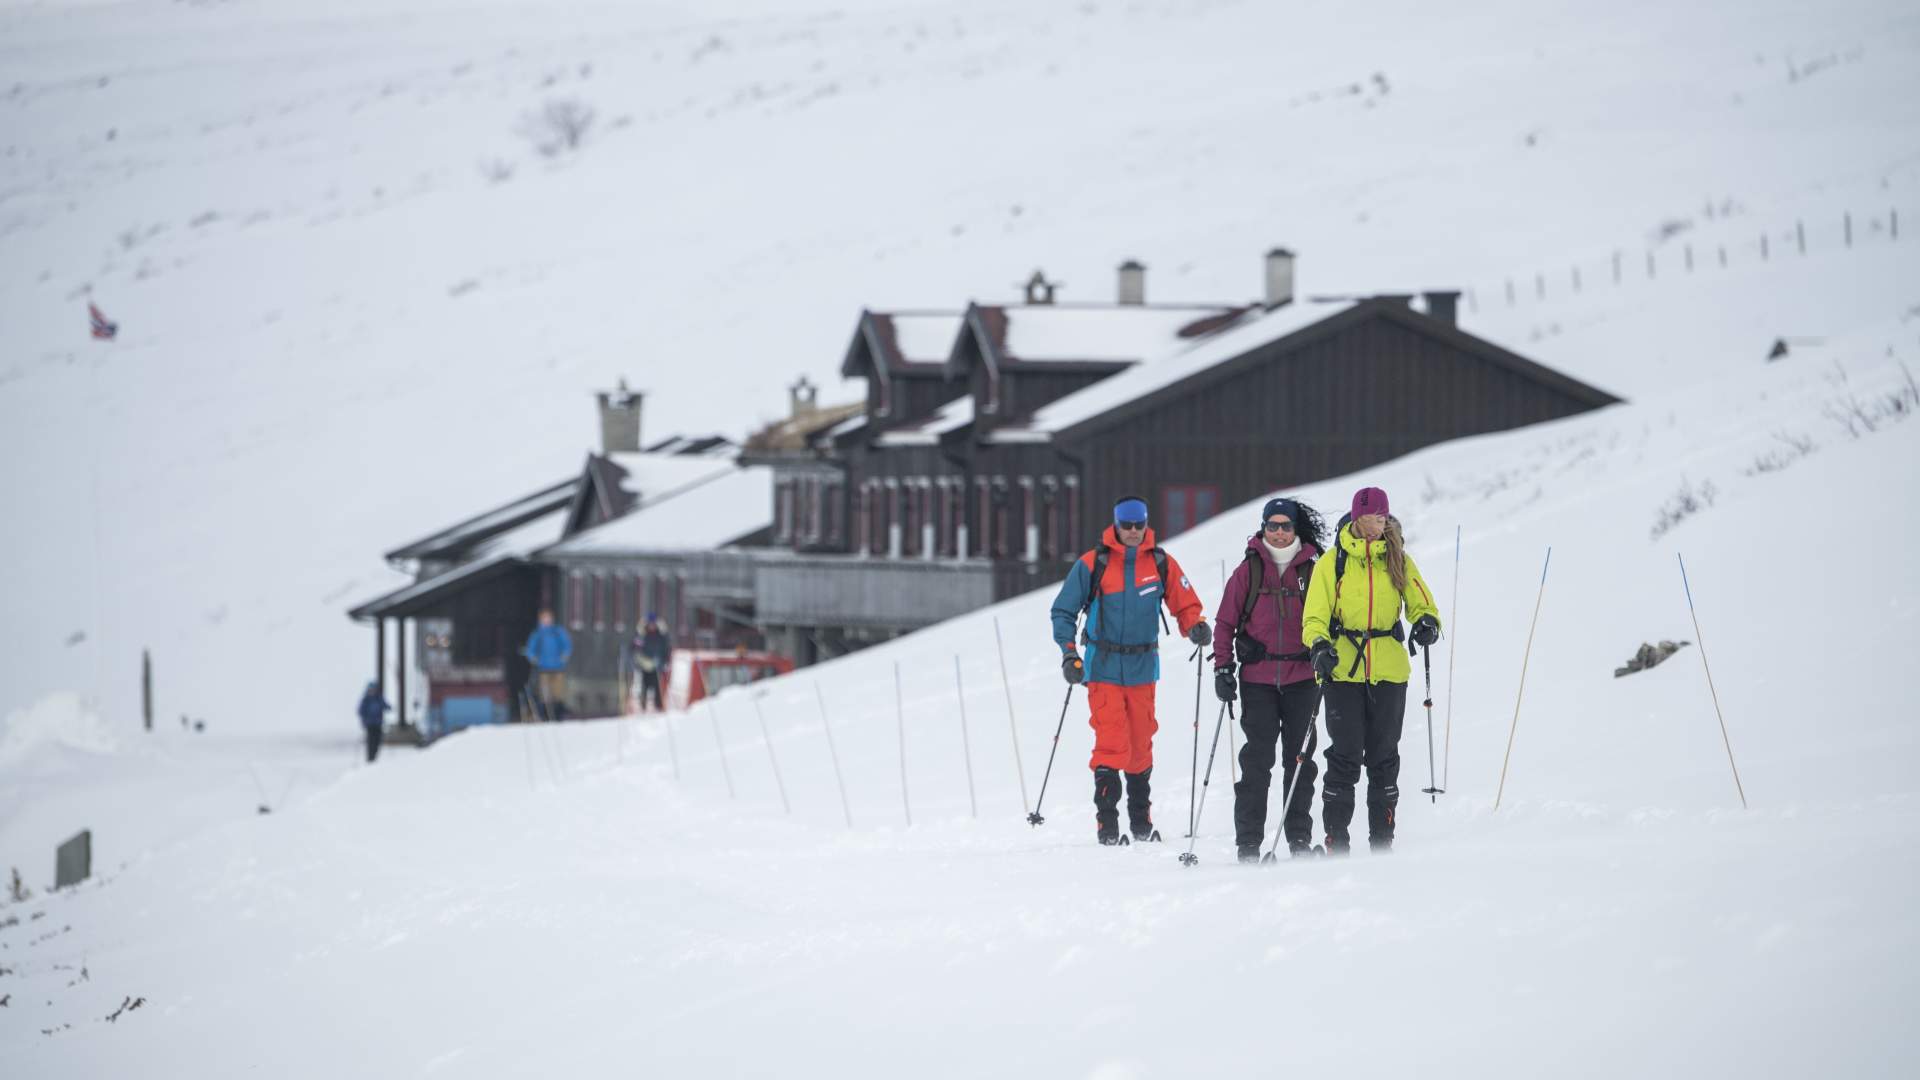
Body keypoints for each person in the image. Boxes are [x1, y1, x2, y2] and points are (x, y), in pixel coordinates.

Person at [1049, 495, 1209, 845]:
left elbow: (1186, 604)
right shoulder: (1094, 564)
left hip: (1142, 668)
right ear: (1116, 525)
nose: (1134, 532)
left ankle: (1141, 823)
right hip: (1102, 667)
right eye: (1127, 526)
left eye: (1139, 525)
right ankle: (1107, 827)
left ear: (1146, 524)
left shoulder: (1161, 563)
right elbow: (1062, 611)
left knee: (1141, 745)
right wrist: (1069, 654)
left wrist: (1195, 625)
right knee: (1110, 742)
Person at [1301, 486, 1441, 854]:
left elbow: (1421, 601)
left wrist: (1426, 621)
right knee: (1344, 756)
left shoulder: (1398, 559)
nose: (1378, 524)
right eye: (1372, 517)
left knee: (1384, 757)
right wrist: (1318, 645)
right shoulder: (1332, 563)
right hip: (1342, 670)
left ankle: (1383, 841)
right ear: (1357, 517)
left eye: (1382, 517)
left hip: (1390, 671)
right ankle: (1337, 840)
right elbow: (1314, 615)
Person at [1212, 497, 1328, 862]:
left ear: (1296, 529)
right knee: (1256, 762)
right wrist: (1222, 667)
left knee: (1300, 762)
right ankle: (1248, 843)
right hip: (1258, 680)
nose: (1279, 533)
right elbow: (1225, 623)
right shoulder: (1248, 571)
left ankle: (1298, 839)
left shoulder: (1314, 569)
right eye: (1272, 525)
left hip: (1302, 678)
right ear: (1263, 528)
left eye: (1286, 526)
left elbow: (1329, 617)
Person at [523, 608, 573, 721]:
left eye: (548, 618)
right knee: (544, 693)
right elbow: (531, 647)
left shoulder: (557, 631)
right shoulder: (538, 634)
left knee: (558, 692)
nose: (547, 620)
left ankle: (558, 714)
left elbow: (566, 644)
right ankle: (544, 714)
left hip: (558, 667)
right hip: (543, 668)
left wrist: (565, 655)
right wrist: (533, 657)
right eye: (544, 618)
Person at [633, 613, 671, 713]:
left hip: (657, 666)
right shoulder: (642, 635)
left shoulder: (660, 636)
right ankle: (643, 705)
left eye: (653, 624)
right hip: (644, 666)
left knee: (657, 686)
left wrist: (664, 661)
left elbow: (666, 649)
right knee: (644, 686)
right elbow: (636, 647)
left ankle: (659, 706)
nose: (652, 626)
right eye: (650, 624)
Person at [357, 681, 390, 763]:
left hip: (378, 724)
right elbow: (361, 711)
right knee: (371, 742)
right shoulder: (366, 700)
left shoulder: (378, 698)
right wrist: (364, 720)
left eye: (374, 689)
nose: (372, 691)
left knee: (377, 742)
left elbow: (386, 706)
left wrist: (388, 707)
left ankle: (374, 758)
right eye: (371, 689)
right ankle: (370, 759)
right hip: (370, 725)